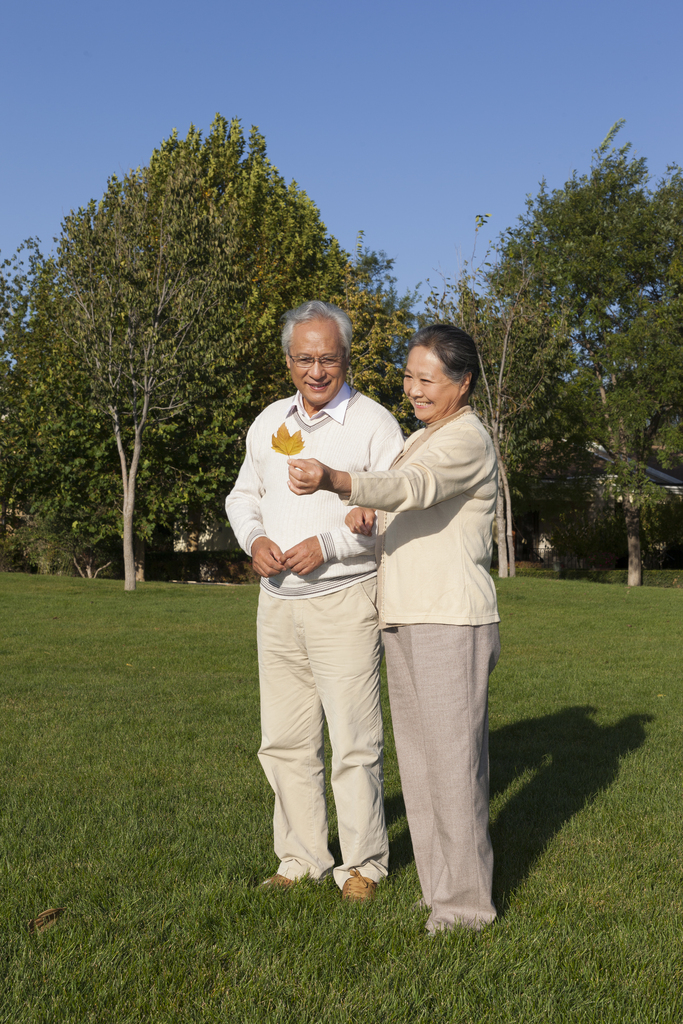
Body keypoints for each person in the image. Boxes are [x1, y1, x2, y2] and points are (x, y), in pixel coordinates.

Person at [287, 323, 500, 932]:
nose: (412, 388)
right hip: (407, 617)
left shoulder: (466, 439)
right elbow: (405, 499)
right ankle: (441, 892)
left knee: (453, 769)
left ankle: (464, 910)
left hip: (449, 620)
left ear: (461, 383)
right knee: (424, 765)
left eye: (426, 378)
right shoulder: (425, 435)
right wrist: (370, 512)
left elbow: (417, 488)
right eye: (408, 375)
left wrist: (340, 480)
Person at [225, 300, 404, 900]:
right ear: (288, 362)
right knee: (284, 739)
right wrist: (255, 540)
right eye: (305, 358)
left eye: (328, 358)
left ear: (346, 357)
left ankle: (363, 864)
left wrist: (326, 544)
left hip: (346, 599)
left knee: (354, 740)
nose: (317, 370)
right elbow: (242, 497)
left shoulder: (375, 424)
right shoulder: (268, 421)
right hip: (276, 602)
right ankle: (300, 856)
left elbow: (390, 508)